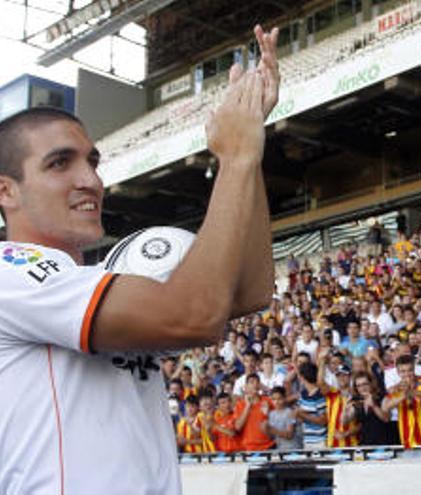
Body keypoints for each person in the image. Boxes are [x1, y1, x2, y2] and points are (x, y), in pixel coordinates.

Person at [0, 24, 279, 492]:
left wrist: (250, 150)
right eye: (59, 163)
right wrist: (233, 158)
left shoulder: (91, 282)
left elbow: (250, 291)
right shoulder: (13, 276)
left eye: (93, 161)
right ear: (5, 191)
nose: (89, 179)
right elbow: (195, 317)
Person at [381, 354, 421, 448]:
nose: (407, 374)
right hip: (407, 440)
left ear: (414, 369)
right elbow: (385, 407)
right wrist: (403, 395)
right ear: (398, 372)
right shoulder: (397, 388)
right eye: (403, 371)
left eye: (409, 370)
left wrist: (412, 392)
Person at [233, 374, 275, 451]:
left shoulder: (267, 401)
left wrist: (268, 413)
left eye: (257, 382)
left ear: (259, 386)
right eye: (252, 382)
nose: (255, 384)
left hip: (268, 446)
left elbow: (278, 424)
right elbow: (237, 427)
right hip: (249, 448)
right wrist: (247, 406)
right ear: (246, 386)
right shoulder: (240, 404)